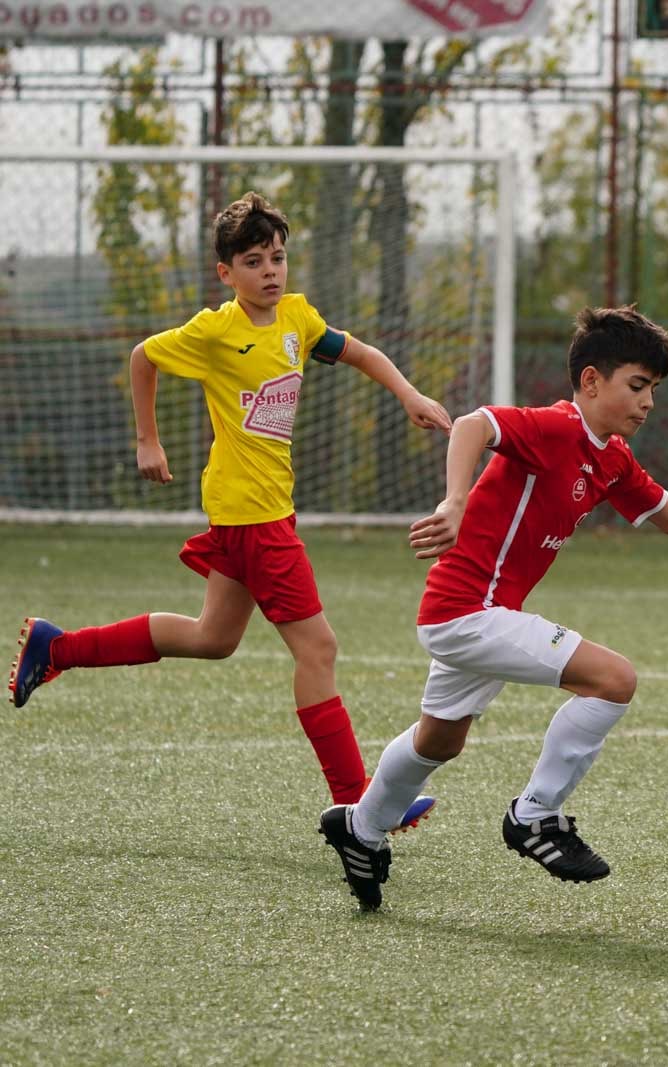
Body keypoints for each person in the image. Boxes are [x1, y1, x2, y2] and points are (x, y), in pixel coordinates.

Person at [317, 305, 668, 911]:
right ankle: (536, 814)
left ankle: (361, 827)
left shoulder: (609, 455)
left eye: (654, 390)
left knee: (440, 740)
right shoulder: (558, 428)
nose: (647, 403)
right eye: (636, 386)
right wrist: (454, 502)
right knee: (614, 680)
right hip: (468, 611)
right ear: (591, 381)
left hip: (475, 615)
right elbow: (471, 425)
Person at [8, 191, 449, 830]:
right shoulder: (216, 330)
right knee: (318, 649)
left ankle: (58, 648)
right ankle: (362, 801)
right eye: (253, 261)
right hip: (251, 516)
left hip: (263, 510)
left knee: (213, 638)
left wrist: (407, 391)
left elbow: (358, 352)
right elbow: (143, 357)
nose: (270, 271)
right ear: (226, 273)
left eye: (277, 257)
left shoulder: (297, 318)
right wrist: (148, 439)